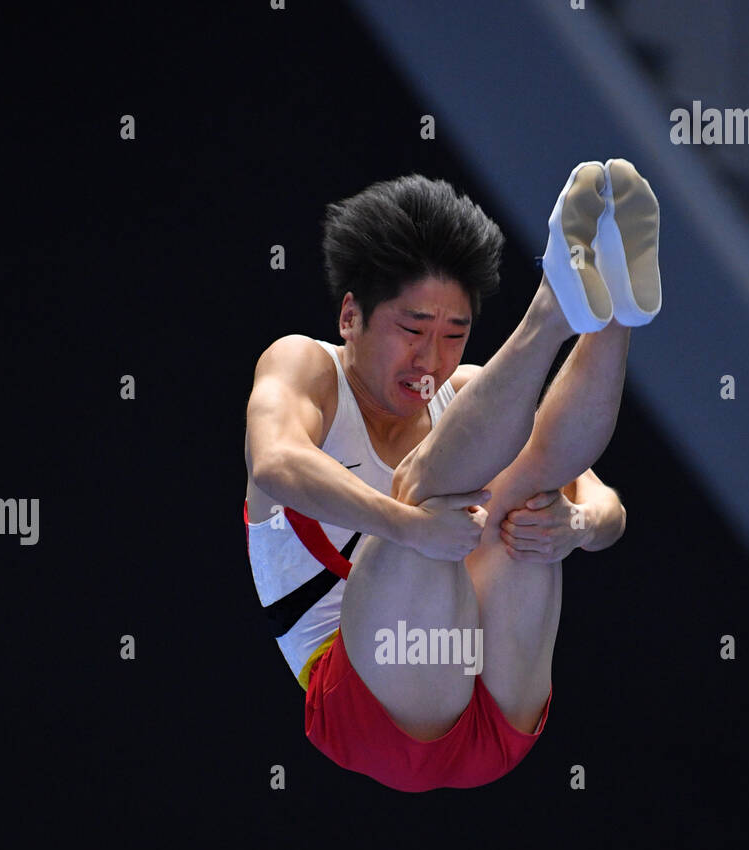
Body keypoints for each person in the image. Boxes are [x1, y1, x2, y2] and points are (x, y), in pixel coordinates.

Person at [243, 160, 661, 792]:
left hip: (497, 711)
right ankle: (552, 310)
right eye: (412, 330)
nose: (431, 361)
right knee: (429, 491)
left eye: (455, 335)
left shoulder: (468, 402)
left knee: (534, 488)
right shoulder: (307, 369)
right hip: (366, 709)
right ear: (350, 317)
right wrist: (408, 526)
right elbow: (274, 464)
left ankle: (613, 315)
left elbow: (609, 516)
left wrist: (573, 525)